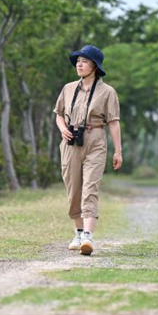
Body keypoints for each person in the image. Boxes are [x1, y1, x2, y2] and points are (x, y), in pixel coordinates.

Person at [53, 44, 122, 255]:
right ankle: (79, 232)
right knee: (74, 189)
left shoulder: (107, 92)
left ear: (95, 66)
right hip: (71, 141)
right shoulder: (68, 88)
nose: (79, 65)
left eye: (84, 61)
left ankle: (88, 238)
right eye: (78, 61)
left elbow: (113, 122)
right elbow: (58, 113)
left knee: (90, 188)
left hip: (96, 140)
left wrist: (118, 151)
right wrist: (63, 128)